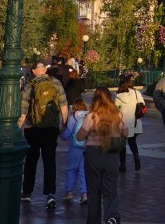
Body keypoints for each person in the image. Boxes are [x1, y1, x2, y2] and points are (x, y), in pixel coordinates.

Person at [18, 61, 68, 211]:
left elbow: (23, 108)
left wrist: (18, 125)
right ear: (44, 70)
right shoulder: (56, 83)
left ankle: (27, 192)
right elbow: (63, 106)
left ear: (33, 71)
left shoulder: (29, 85)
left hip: (32, 127)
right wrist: (64, 124)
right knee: (49, 161)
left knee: (31, 160)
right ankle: (50, 194)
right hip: (50, 127)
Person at [77, 86, 129, 224]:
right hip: (111, 154)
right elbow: (125, 133)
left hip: (93, 154)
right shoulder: (118, 114)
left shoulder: (91, 116)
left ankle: (93, 220)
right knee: (111, 189)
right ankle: (111, 216)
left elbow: (80, 136)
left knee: (93, 191)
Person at [60, 97, 89, 204]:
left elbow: (67, 134)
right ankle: (84, 194)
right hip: (86, 147)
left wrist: (61, 134)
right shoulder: (89, 115)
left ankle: (69, 191)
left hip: (74, 147)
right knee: (84, 171)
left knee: (71, 169)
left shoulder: (73, 117)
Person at [114, 73, 145, 172]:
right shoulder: (136, 93)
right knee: (132, 143)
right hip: (134, 122)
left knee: (122, 145)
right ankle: (137, 159)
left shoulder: (118, 96)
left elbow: (116, 111)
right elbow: (142, 104)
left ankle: (122, 165)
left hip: (122, 124)